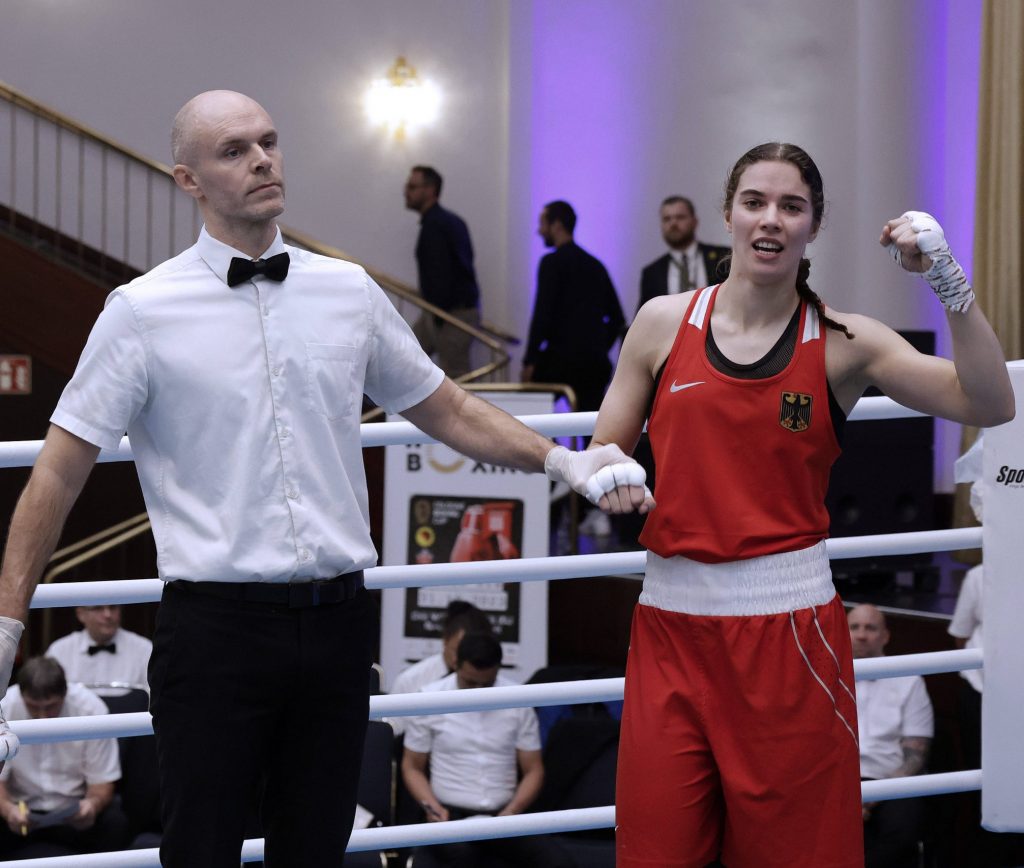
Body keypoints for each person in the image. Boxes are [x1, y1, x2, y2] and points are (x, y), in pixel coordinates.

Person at [0, 90, 648, 868]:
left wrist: (564, 460)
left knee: (316, 851)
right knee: (200, 851)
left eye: (269, 141)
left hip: (338, 624)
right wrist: (5, 633)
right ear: (188, 180)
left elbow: (445, 407)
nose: (263, 159)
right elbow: (58, 476)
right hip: (215, 632)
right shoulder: (141, 311)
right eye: (234, 150)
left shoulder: (346, 291)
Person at [589, 141, 1014, 867]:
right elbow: (604, 445)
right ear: (728, 213)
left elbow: (991, 401)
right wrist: (608, 473)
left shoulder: (847, 344)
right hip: (669, 628)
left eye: (792, 206)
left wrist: (946, 278)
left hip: (788, 637)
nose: (771, 219)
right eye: (755, 201)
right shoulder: (662, 323)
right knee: (655, 852)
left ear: (813, 225)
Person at [401, 632, 572, 868]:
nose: (478, 691)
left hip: (505, 814)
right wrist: (432, 808)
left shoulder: (518, 699)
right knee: (462, 856)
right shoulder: (430, 698)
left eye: (486, 684)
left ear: (498, 669)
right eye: (470, 683)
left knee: (558, 861)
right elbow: (412, 766)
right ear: (455, 664)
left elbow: (534, 770)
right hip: (449, 815)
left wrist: (513, 811)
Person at [0, 657, 127, 858]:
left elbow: (103, 780)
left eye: (50, 706)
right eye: (33, 706)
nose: (42, 717)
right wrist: (7, 810)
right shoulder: (4, 707)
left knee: (116, 822)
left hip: (75, 815)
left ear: (65, 694)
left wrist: (92, 805)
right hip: (18, 815)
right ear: (22, 695)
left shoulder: (92, 710)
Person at [849, 604, 933, 867]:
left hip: (890, 780)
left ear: (885, 636)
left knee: (903, 830)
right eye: (854, 627)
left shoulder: (909, 679)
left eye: (870, 627)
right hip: (836, 780)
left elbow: (915, 754)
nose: (862, 635)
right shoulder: (823, 676)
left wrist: (871, 798)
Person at [522, 200, 625, 414]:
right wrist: (597, 347)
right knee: (592, 430)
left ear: (556, 225)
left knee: (532, 418)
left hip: (559, 364)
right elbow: (617, 318)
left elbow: (542, 315)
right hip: (594, 366)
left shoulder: (550, 263)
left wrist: (529, 361)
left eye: (542, 224)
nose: (539, 231)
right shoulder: (595, 265)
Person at [404, 165, 481, 378]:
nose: (406, 192)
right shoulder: (446, 222)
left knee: (456, 378)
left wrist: (439, 317)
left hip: (451, 314)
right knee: (406, 356)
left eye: (412, 186)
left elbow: (442, 275)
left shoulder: (436, 225)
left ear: (430, 190)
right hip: (445, 311)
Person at [386, 599, 492, 737]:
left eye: (469, 655)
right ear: (445, 640)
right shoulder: (411, 680)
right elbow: (392, 732)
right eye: (458, 651)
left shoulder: (496, 684)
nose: (462, 661)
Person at [637, 195, 731, 312]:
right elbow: (645, 316)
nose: (673, 224)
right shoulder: (652, 273)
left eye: (680, 217)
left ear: (694, 222)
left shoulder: (724, 256)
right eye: (667, 219)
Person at [45, 604, 152, 695]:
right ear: (80, 614)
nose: (108, 615)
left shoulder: (144, 649)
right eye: (98, 608)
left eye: (113, 608)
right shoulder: (59, 651)